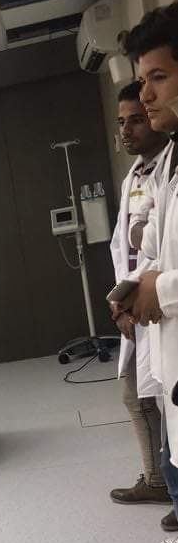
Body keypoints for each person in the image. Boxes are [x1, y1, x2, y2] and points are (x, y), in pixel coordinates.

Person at [119, 0, 178, 543]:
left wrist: (160, 286)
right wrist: (139, 283)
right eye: (143, 80)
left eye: (158, 77)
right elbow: (159, 248)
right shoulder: (171, 161)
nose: (146, 93)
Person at [109, 81, 170, 516]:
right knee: (138, 394)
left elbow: (155, 245)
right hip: (137, 301)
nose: (126, 130)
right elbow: (123, 244)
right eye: (121, 122)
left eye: (135, 120)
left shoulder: (168, 170)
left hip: (162, 302)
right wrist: (120, 301)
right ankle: (160, 481)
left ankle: (162, 483)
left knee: (155, 397)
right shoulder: (134, 176)